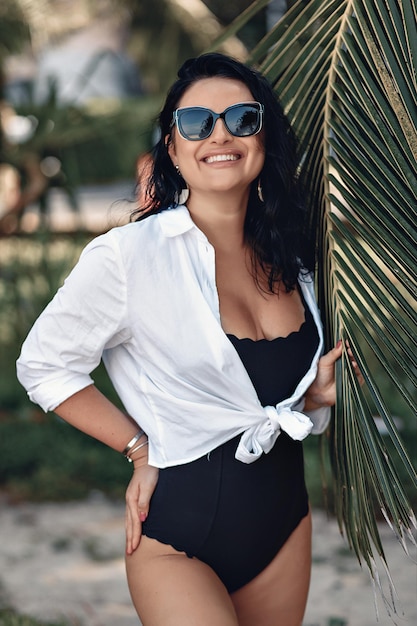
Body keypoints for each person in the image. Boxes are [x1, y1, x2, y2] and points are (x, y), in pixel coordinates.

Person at [17, 53, 362, 625]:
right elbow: (44, 365)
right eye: (197, 121)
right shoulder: (129, 257)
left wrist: (314, 397)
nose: (219, 134)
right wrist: (138, 448)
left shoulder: (298, 256)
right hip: (177, 538)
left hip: (283, 527)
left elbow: (247, 399)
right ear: (173, 148)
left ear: (264, 138)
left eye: (242, 119)